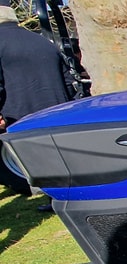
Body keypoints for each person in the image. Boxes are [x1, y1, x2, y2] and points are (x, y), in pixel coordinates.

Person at [0, 0, 76, 208]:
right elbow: (68, 81)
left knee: (33, 161)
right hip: (55, 107)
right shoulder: (41, 41)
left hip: (18, 111)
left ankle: (50, 194)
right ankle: (60, 195)